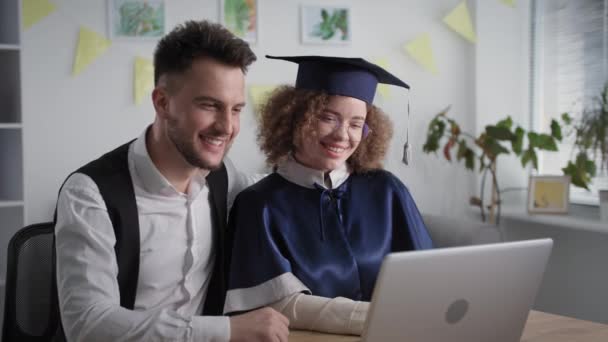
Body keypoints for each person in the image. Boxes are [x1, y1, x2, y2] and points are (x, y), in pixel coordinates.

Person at [54, 21, 289, 342]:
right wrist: (227, 330)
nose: (227, 126)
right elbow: (88, 323)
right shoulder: (88, 193)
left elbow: (279, 186)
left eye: (236, 109)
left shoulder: (224, 176)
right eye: (210, 105)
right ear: (162, 102)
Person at [224, 55, 434, 335]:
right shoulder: (259, 204)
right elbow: (275, 304)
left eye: (356, 124)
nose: (342, 135)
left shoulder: (387, 191)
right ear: (294, 117)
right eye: (328, 118)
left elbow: (430, 278)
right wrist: (374, 316)